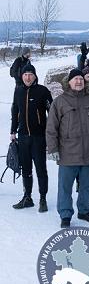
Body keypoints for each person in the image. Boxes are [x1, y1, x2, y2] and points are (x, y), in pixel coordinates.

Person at [46, 68, 89, 228]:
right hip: (68, 153)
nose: (79, 81)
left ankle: (84, 211)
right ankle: (65, 215)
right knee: (65, 187)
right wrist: (52, 148)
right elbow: (51, 128)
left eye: (81, 79)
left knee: (88, 185)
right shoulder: (60, 102)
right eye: (76, 79)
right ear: (69, 82)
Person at [10, 63, 52, 212]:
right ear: (22, 76)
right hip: (22, 137)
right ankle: (27, 197)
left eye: (30, 74)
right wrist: (12, 131)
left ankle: (43, 199)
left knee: (41, 169)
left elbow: (51, 112)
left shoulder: (43, 91)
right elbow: (15, 110)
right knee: (26, 168)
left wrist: (50, 133)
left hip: (38, 137)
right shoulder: (18, 91)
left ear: (35, 76)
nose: (28, 77)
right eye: (25, 74)